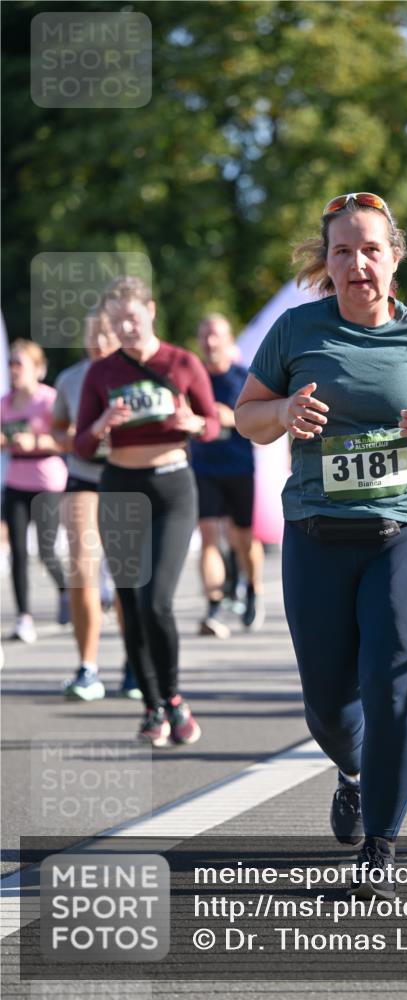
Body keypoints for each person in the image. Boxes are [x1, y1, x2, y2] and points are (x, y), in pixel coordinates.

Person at [235, 192, 407, 897]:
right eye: (341, 251)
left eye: (370, 249)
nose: (356, 263)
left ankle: (381, 843)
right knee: (327, 703)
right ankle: (352, 771)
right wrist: (281, 411)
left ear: (393, 258)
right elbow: (245, 415)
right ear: (327, 262)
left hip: (404, 531)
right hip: (316, 534)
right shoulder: (294, 330)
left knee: (392, 687)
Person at [74, 276, 220, 746]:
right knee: (130, 604)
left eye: (132, 319)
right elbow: (79, 442)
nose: (126, 329)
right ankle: (151, 706)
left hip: (172, 487)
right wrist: (100, 424)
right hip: (119, 485)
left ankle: (175, 700)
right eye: (117, 323)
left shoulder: (181, 361)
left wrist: (192, 423)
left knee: (157, 600)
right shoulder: (102, 372)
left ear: (151, 311)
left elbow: (214, 424)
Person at [52, 309, 140, 701]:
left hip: (125, 477)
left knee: (125, 576)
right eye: (94, 335)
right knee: (83, 569)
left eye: (107, 335)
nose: (100, 342)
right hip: (83, 477)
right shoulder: (70, 378)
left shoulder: (135, 373)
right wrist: (79, 436)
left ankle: (134, 663)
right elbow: (57, 430)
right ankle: (87, 667)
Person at [192, 313, 265, 636]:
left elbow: (260, 421)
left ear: (228, 340)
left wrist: (230, 418)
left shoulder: (243, 377)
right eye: (205, 335)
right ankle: (213, 605)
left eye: (216, 335)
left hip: (239, 467)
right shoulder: (193, 379)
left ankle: (253, 588)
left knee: (243, 540)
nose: (210, 342)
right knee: (209, 538)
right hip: (203, 467)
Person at [1, 339, 68, 642]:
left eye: (20, 363)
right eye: (10, 363)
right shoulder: (4, 403)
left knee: (45, 550)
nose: (14, 369)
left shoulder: (49, 400)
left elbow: (67, 440)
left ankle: (66, 590)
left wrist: (37, 442)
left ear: (37, 369)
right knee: (17, 550)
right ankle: (23, 616)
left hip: (47, 481)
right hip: (15, 480)